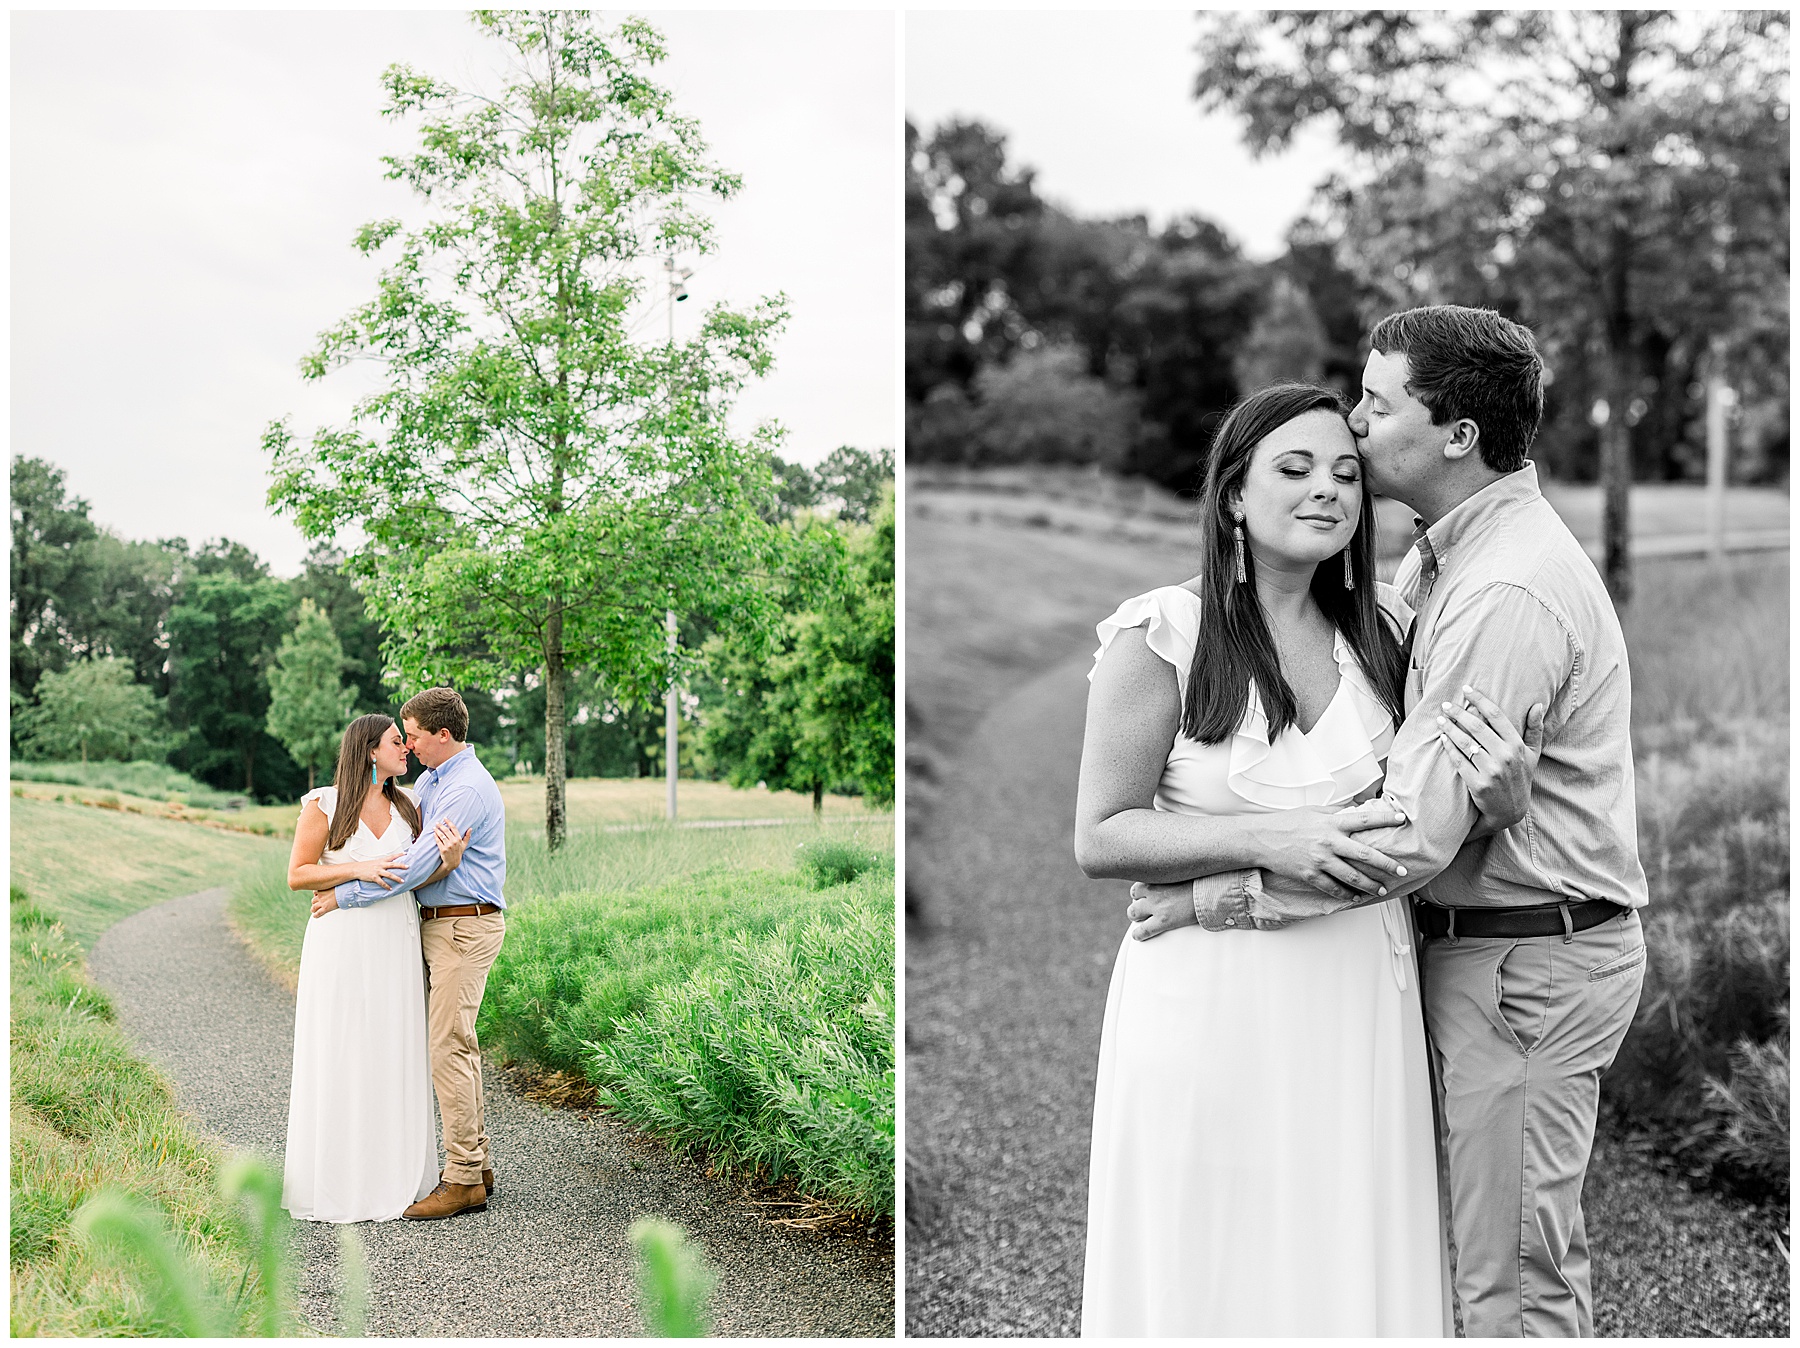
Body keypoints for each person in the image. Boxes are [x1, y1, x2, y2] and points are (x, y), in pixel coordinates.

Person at [1133, 306, 1649, 1337]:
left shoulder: (1503, 590)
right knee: (1429, 1249)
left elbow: (1413, 832)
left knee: (1514, 1286)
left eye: (1377, 403)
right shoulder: (1435, 562)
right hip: (1468, 952)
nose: (1356, 423)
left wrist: (1216, 897)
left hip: (1524, 965)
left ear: (1457, 433)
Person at [1074, 380, 1542, 1336]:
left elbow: (1419, 824)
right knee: (1213, 1257)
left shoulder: (1390, 635)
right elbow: (1103, 835)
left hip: (1359, 998)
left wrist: (1500, 807)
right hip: (1207, 1007)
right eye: (1293, 469)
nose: (1327, 489)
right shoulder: (1160, 635)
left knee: (1343, 1250)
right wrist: (1262, 839)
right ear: (1233, 495)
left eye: (1344, 473)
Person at [311, 686, 509, 1222]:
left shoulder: (465, 788)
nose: (410, 745)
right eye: (403, 738)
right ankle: (478, 1166)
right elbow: (420, 854)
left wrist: (344, 894)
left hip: (463, 927)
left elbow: (418, 864)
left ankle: (463, 1179)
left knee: (448, 1048)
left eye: (416, 736)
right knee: (455, 1045)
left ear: (443, 735)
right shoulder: (430, 782)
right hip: (436, 925)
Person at [282, 713, 470, 1223]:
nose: (405, 748)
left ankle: (395, 1178)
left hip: (396, 940)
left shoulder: (409, 806)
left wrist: (449, 863)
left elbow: (415, 874)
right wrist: (357, 869)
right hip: (341, 942)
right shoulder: (324, 804)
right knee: (343, 1047)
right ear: (369, 750)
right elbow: (298, 874)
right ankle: (339, 1181)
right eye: (395, 741)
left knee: (393, 1048)